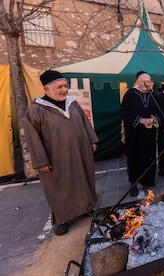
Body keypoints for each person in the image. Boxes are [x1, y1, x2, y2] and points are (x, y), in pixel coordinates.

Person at [24, 70, 99, 236]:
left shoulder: (72, 103)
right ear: (46, 89)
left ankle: (86, 207)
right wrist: (41, 161)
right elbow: (32, 137)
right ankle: (61, 219)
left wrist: (92, 140)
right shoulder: (36, 110)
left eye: (65, 86)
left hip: (80, 152)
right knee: (59, 186)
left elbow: (84, 121)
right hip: (57, 157)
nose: (64, 89)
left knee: (83, 179)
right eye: (59, 87)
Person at [121, 72, 160, 196]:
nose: (146, 84)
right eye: (144, 81)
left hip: (149, 133)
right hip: (135, 135)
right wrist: (140, 120)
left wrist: (155, 119)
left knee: (149, 155)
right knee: (135, 158)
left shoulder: (153, 95)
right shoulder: (130, 94)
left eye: (148, 82)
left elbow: (160, 111)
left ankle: (148, 179)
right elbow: (124, 113)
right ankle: (134, 183)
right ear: (138, 81)